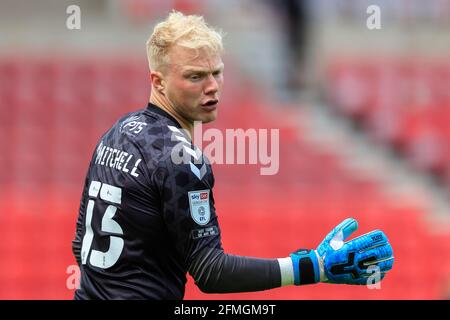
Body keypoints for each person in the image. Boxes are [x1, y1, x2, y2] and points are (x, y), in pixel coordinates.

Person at [72, 11, 394, 300]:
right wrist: (312, 267)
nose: (212, 87)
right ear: (158, 81)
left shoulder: (117, 132)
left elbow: (79, 245)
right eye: (196, 76)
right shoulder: (180, 158)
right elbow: (212, 271)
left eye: (217, 73)